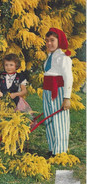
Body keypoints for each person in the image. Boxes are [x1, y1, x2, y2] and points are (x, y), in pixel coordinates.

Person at [43, 28, 73, 158]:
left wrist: (67, 98)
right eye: (47, 41)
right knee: (49, 119)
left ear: (59, 41)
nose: (49, 43)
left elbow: (68, 77)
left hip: (58, 91)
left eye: (52, 40)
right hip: (47, 90)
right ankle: (52, 148)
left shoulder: (64, 58)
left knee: (59, 120)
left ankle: (60, 151)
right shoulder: (50, 56)